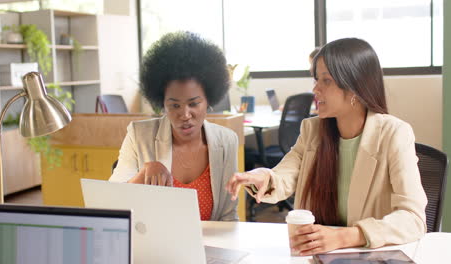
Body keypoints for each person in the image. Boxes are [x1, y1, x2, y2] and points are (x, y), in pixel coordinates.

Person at [226, 38, 427, 254]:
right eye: (315, 79)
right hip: (318, 255)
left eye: (326, 80)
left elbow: (413, 219)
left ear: (354, 88)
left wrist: (346, 236)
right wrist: (265, 178)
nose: (315, 89)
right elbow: (286, 173)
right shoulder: (312, 130)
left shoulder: (394, 134)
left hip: (370, 256)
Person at [110, 31, 238, 221]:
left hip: (210, 248)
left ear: (209, 100)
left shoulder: (226, 141)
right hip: (155, 245)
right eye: (174, 105)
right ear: (162, 103)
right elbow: (111, 203)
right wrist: (144, 173)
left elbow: (228, 216)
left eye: (194, 104)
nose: (185, 115)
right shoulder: (139, 136)